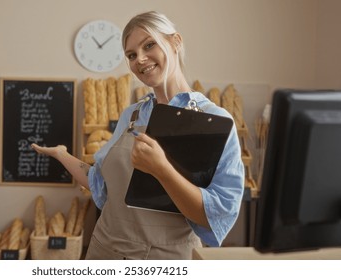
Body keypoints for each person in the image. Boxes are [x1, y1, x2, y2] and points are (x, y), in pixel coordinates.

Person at [31, 11, 244, 259]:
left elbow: (216, 214)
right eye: (131, 55)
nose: (140, 59)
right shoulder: (132, 115)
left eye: (149, 45)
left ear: (176, 42)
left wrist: (162, 169)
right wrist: (62, 155)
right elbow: (100, 184)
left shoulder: (215, 120)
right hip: (103, 252)